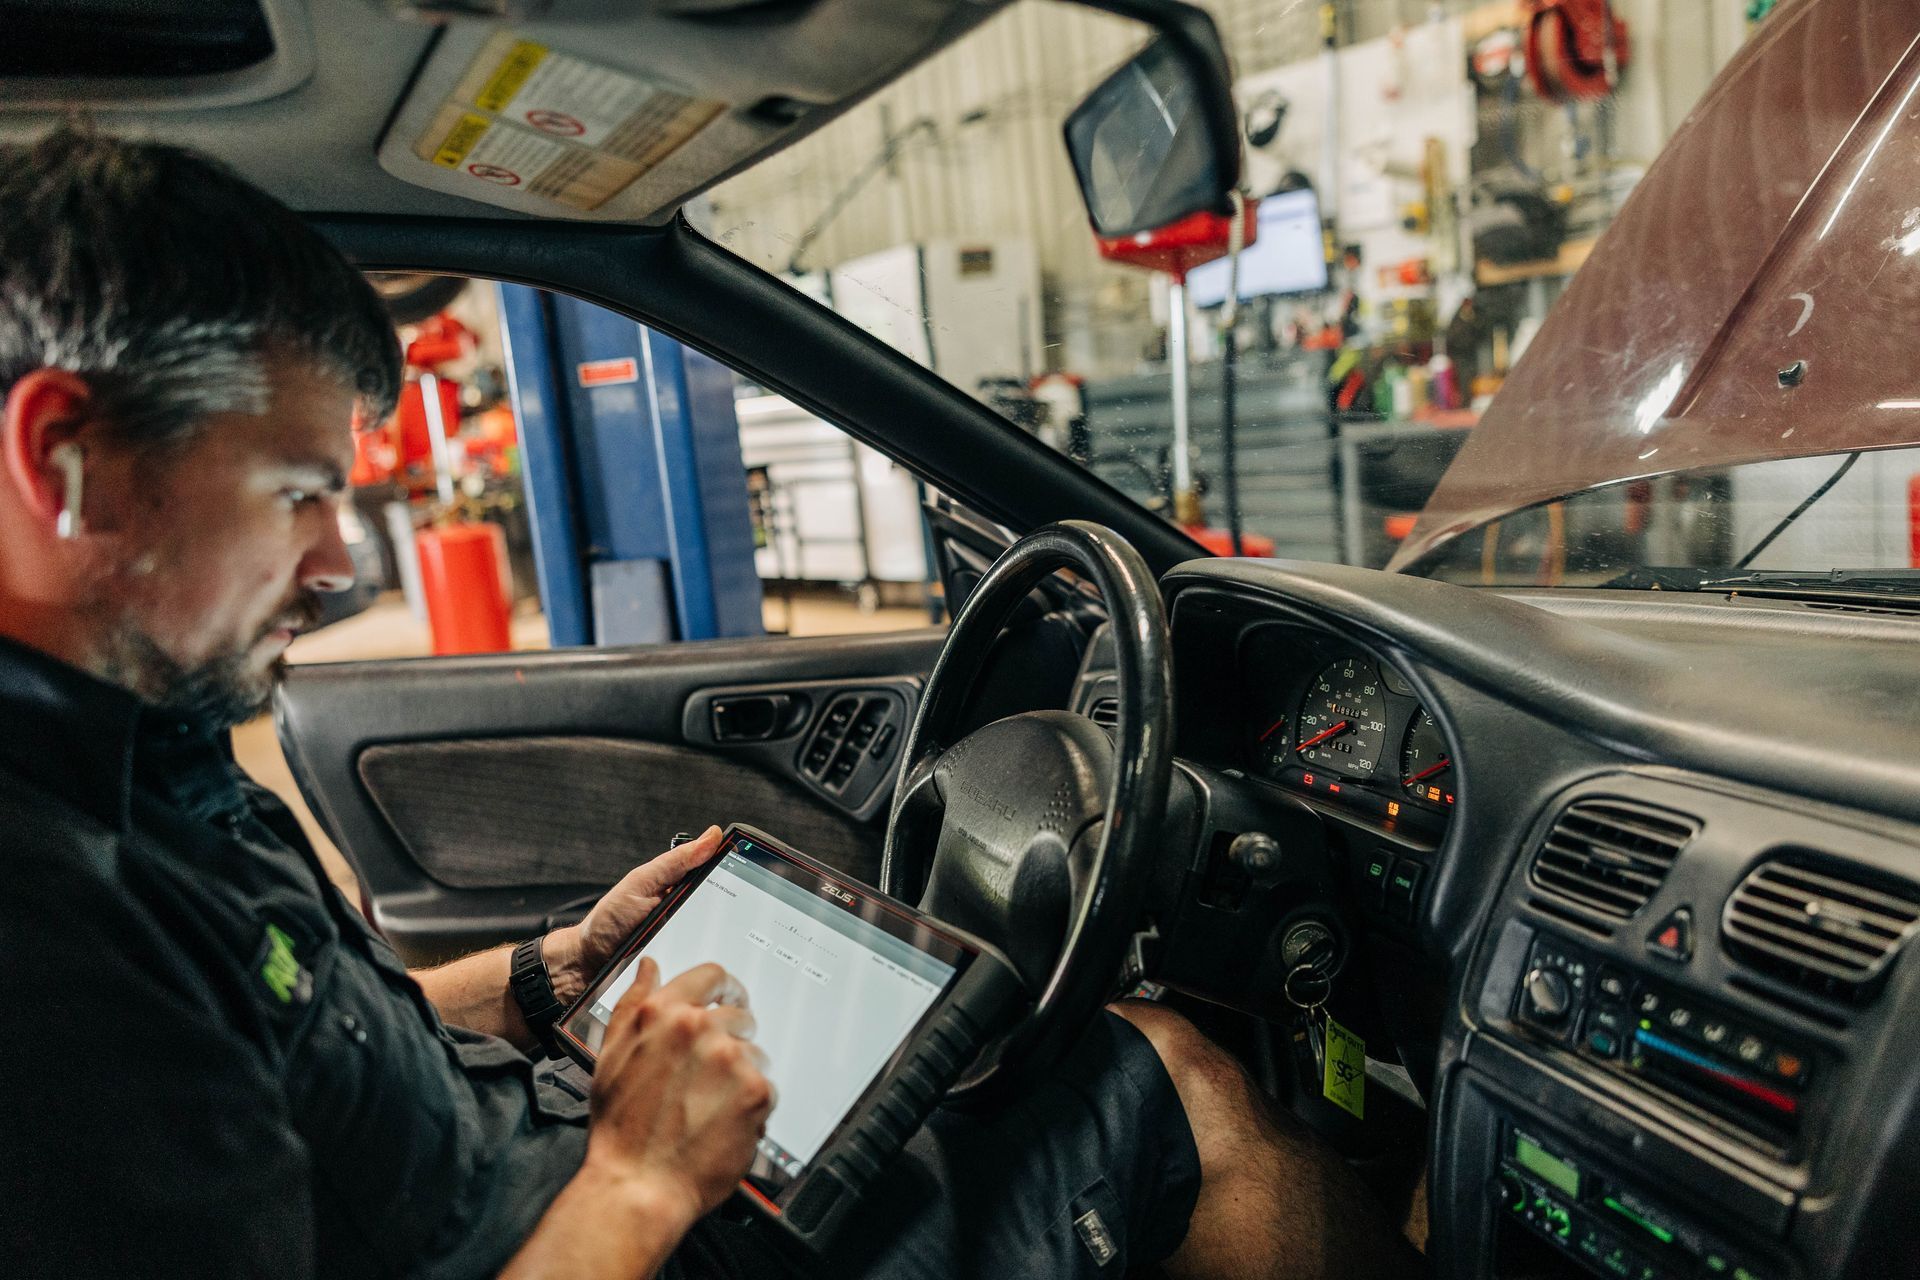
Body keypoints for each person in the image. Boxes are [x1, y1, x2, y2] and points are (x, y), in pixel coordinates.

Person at [0, 129, 1416, 1280]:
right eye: (300, 491)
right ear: (64, 458)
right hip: (605, 1226)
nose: (332, 560)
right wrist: (641, 1173)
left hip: (563, 1170)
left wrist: (556, 971)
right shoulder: (46, 938)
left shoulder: (138, 745)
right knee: (1166, 1075)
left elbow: (303, 1045)